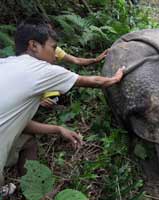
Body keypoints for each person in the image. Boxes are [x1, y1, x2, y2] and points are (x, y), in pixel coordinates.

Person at [0, 20, 124, 197]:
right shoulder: (41, 70)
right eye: (53, 47)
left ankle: (35, 190)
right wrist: (114, 79)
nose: (56, 54)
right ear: (33, 45)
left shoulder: (4, 63)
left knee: (27, 139)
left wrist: (58, 129)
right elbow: (91, 81)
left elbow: (16, 122)